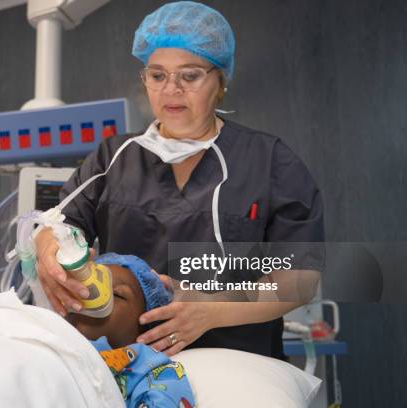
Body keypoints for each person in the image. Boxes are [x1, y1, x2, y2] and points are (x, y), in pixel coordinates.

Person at [35, 1, 324, 360]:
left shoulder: (270, 162)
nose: (171, 89)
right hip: (128, 361)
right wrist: (48, 253)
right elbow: (57, 225)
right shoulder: (112, 157)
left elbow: (300, 280)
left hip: (236, 362)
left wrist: (212, 308)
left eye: (189, 75)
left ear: (220, 82)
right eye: (157, 75)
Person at [71, 253, 195, 408]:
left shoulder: (150, 369)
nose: (93, 293)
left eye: (117, 294)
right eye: (85, 286)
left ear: (146, 330)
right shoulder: (41, 326)